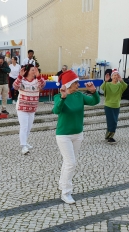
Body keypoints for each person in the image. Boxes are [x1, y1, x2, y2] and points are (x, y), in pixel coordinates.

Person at [52, 70, 100, 204]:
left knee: (68, 162)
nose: (78, 85)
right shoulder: (59, 96)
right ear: (69, 84)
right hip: (63, 135)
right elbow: (56, 110)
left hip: (78, 134)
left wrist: (93, 91)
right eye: (76, 83)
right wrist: (62, 97)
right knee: (71, 163)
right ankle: (66, 192)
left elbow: (94, 102)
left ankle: (62, 183)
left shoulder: (79, 96)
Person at [13, 64, 45, 154]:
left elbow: (43, 85)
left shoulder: (36, 81)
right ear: (27, 71)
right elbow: (15, 86)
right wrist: (20, 76)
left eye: (35, 70)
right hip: (22, 108)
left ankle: (25, 142)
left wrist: (39, 76)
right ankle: (23, 147)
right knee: (24, 127)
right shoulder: (22, 80)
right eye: (32, 70)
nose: (34, 72)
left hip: (32, 108)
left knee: (29, 127)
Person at [101, 70, 128, 144]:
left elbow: (125, 86)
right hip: (108, 105)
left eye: (117, 75)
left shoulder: (120, 85)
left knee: (114, 121)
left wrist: (121, 80)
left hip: (116, 106)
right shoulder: (108, 84)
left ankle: (108, 135)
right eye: (114, 75)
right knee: (111, 122)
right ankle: (110, 137)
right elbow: (102, 87)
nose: (116, 76)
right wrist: (105, 81)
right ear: (112, 77)